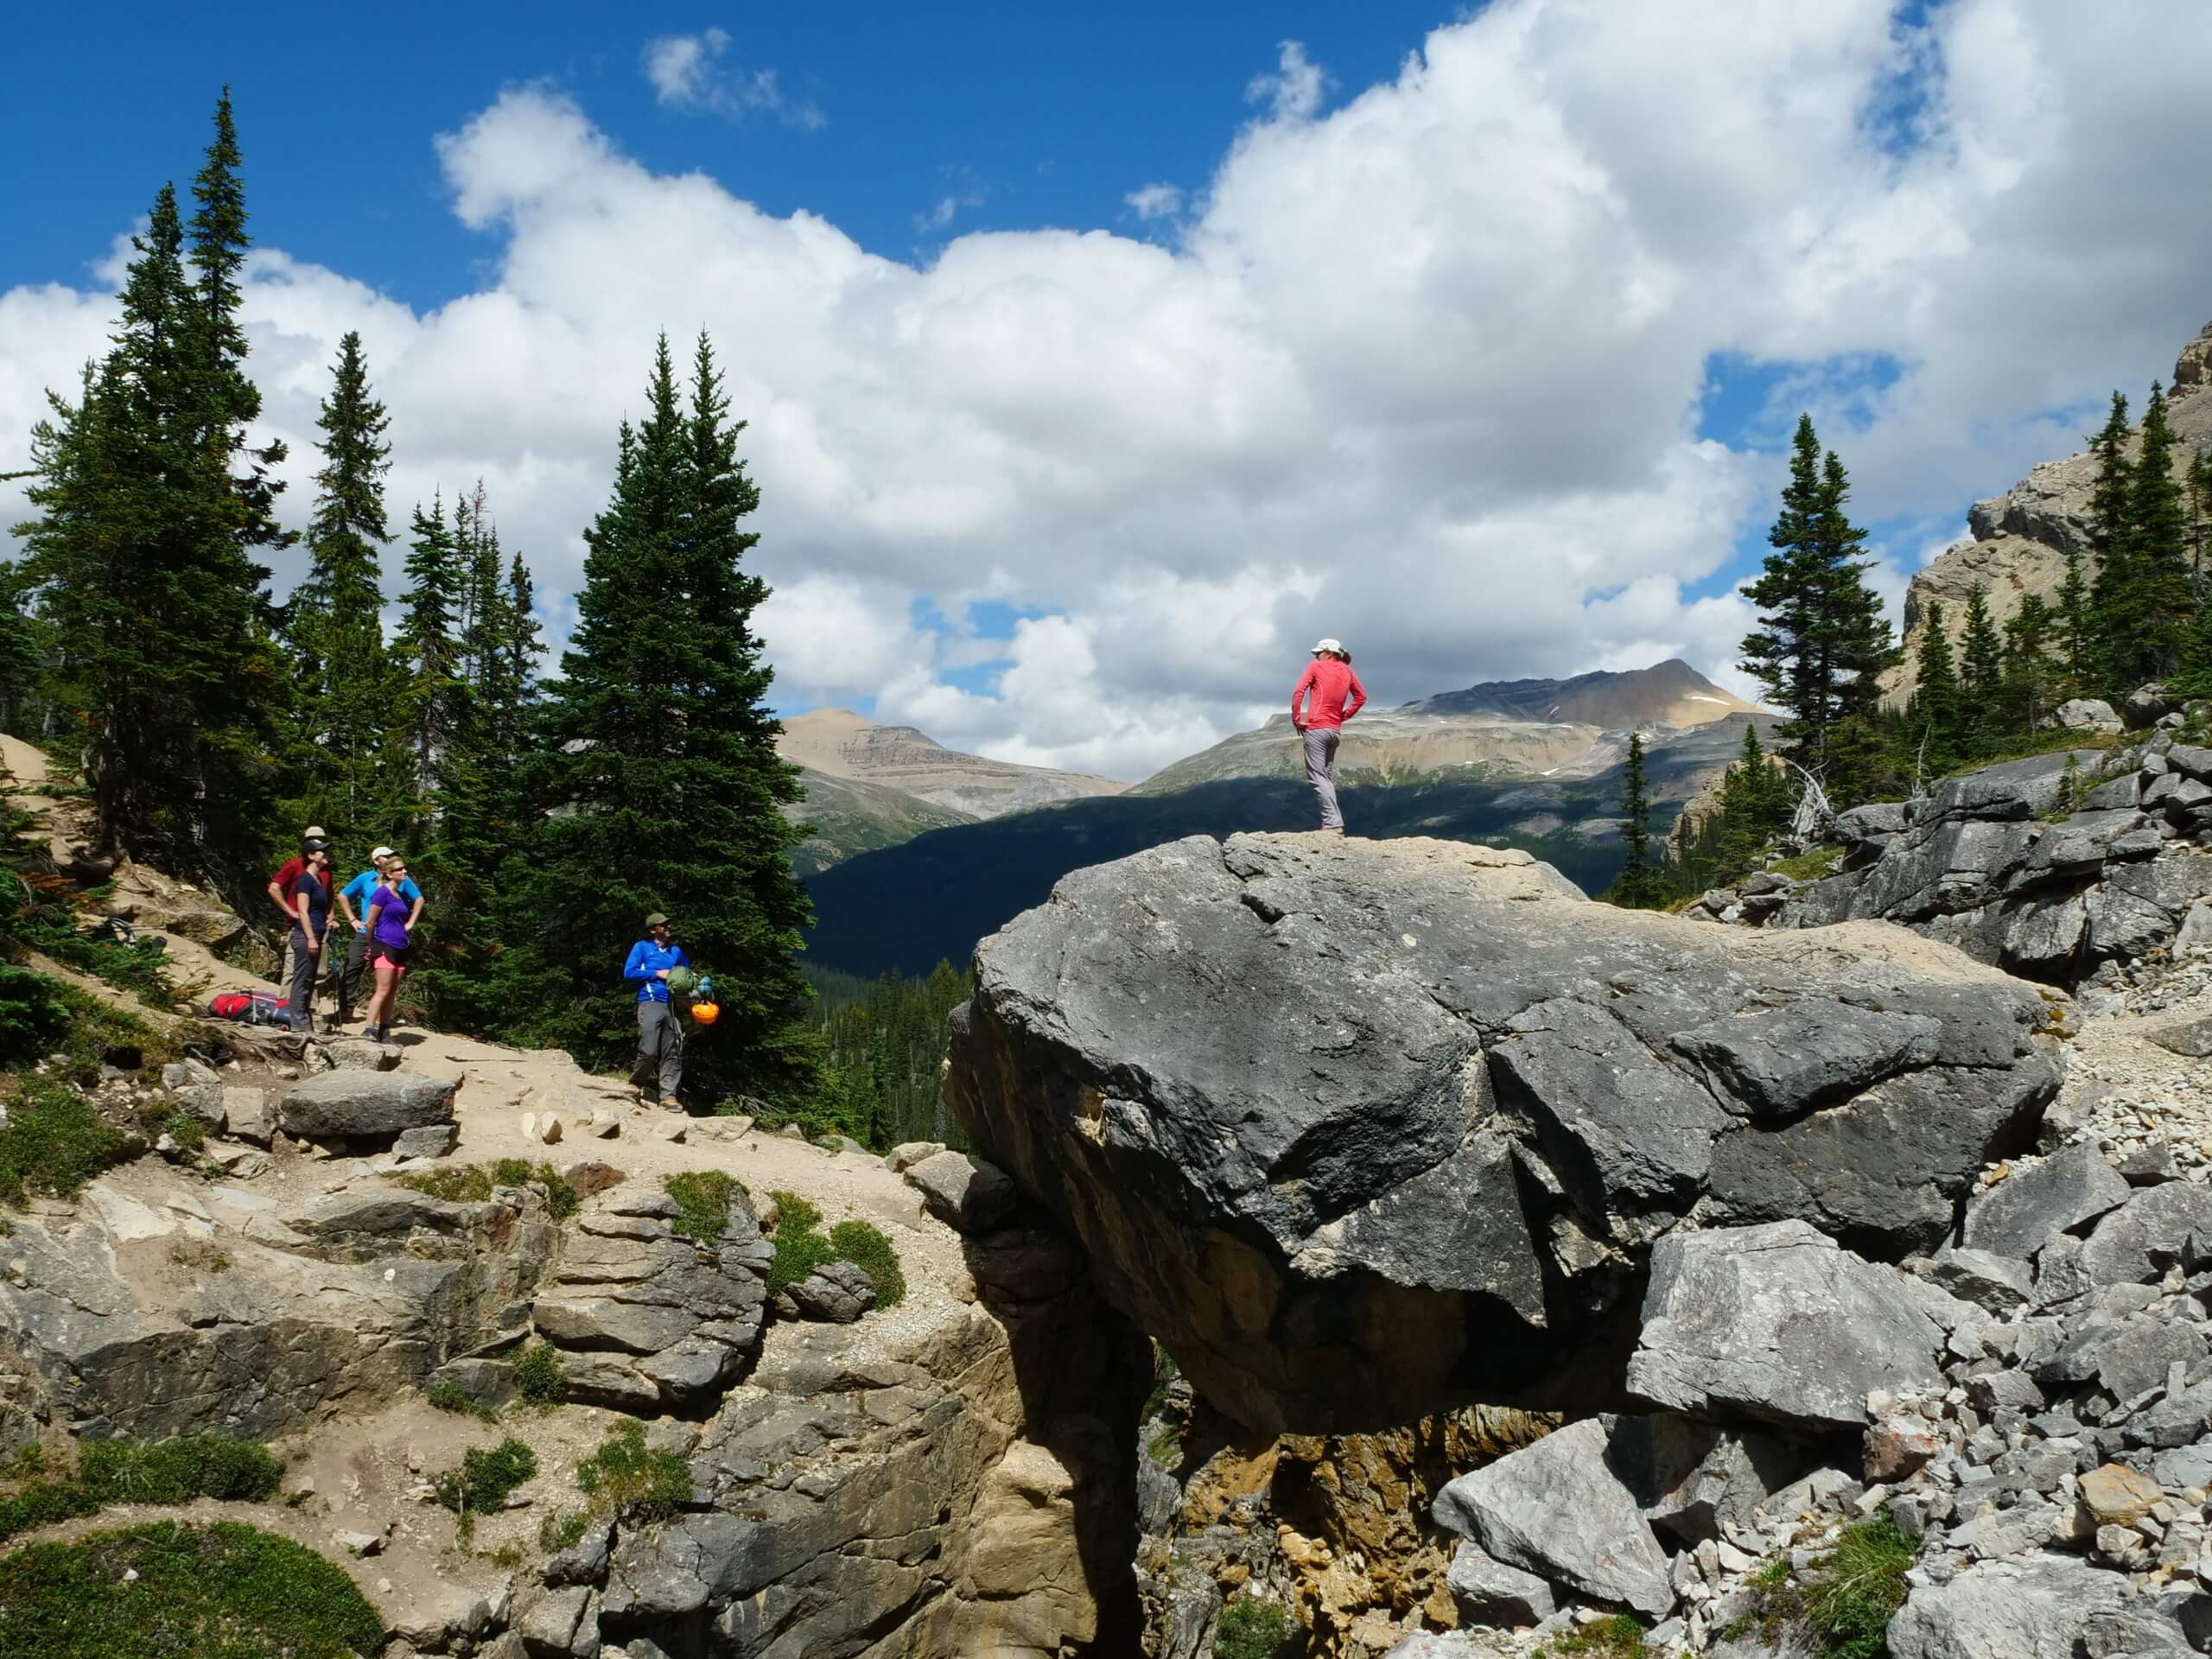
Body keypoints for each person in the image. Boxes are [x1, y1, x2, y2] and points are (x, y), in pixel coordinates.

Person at [1289, 638, 1368, 834]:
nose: (1316, 657)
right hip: (1335, 731)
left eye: (1319, 653)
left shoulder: (1316, 668)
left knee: (1317, 776)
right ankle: (1334, 822)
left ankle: (1333, 823)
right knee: (1326, 777)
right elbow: (1361, 697)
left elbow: (1299, 692)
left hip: (1316, 728)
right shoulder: (1348, 671)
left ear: (1329, 653)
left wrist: (1297, 719)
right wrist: (1343, 717)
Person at [337, 846, 423, 1023]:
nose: (391, 858)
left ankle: (378, 1020)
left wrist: (411, 922)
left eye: (392, 855)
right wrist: (352, 919)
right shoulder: (366, 878)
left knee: (386, 981)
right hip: (367, 932)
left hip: (390, 936)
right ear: (377, 861)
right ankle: (346, 1009)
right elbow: (343, 895)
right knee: (352, 966)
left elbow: (419, 898)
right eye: (387, 856)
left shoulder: (403, 880)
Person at [623, 912, 690, 1109]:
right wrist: (657, 974)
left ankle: (668, 1096)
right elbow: (629, 972)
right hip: (650, 1001)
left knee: (673, 1050)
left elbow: (686, 975)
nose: (668, 927)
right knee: (650, 1048)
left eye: (669, 924)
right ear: (653, 929)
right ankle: (636, 1083)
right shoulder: (642, 948)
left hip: (672, 1005)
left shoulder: (676, 951)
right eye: (664, 925)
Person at [359, 855, 423, 1044]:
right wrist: (371, 944)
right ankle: (369, 1029)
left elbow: (419, 902)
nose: (405, 872)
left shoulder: (398, 896)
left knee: (392, 991)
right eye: (400, 869)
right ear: (389, 873)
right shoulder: (382, 893)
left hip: (400, 946)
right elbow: (370, 921)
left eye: (404, 868)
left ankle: (384, 1031)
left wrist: (410, 923)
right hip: (384, 944)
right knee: (383, 989)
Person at [267, 825, 333, 994]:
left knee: (318, 972)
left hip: (320, 926)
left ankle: (310, 1011)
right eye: (314, 840)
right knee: (292, 969)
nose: (319, 843)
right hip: (298, 926)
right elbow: (274, 888)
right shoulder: (295, 865)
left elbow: (329, 895)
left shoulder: (325, 869)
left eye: (322, 839)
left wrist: (331, 916)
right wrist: (290, 911)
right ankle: (285, 1009)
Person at [286, 838, 334, 1033]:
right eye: (321, 851)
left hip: (316, 932)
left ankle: (304, 1021)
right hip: (306, 935)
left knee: (309, 980)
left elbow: (317, 910)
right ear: (311, 856)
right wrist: (312, 938)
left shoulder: (318, 880)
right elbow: (303, 911)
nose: (325, 854)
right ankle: (298, 1023)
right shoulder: (305, 880)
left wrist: (330, 921)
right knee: (302, 979)